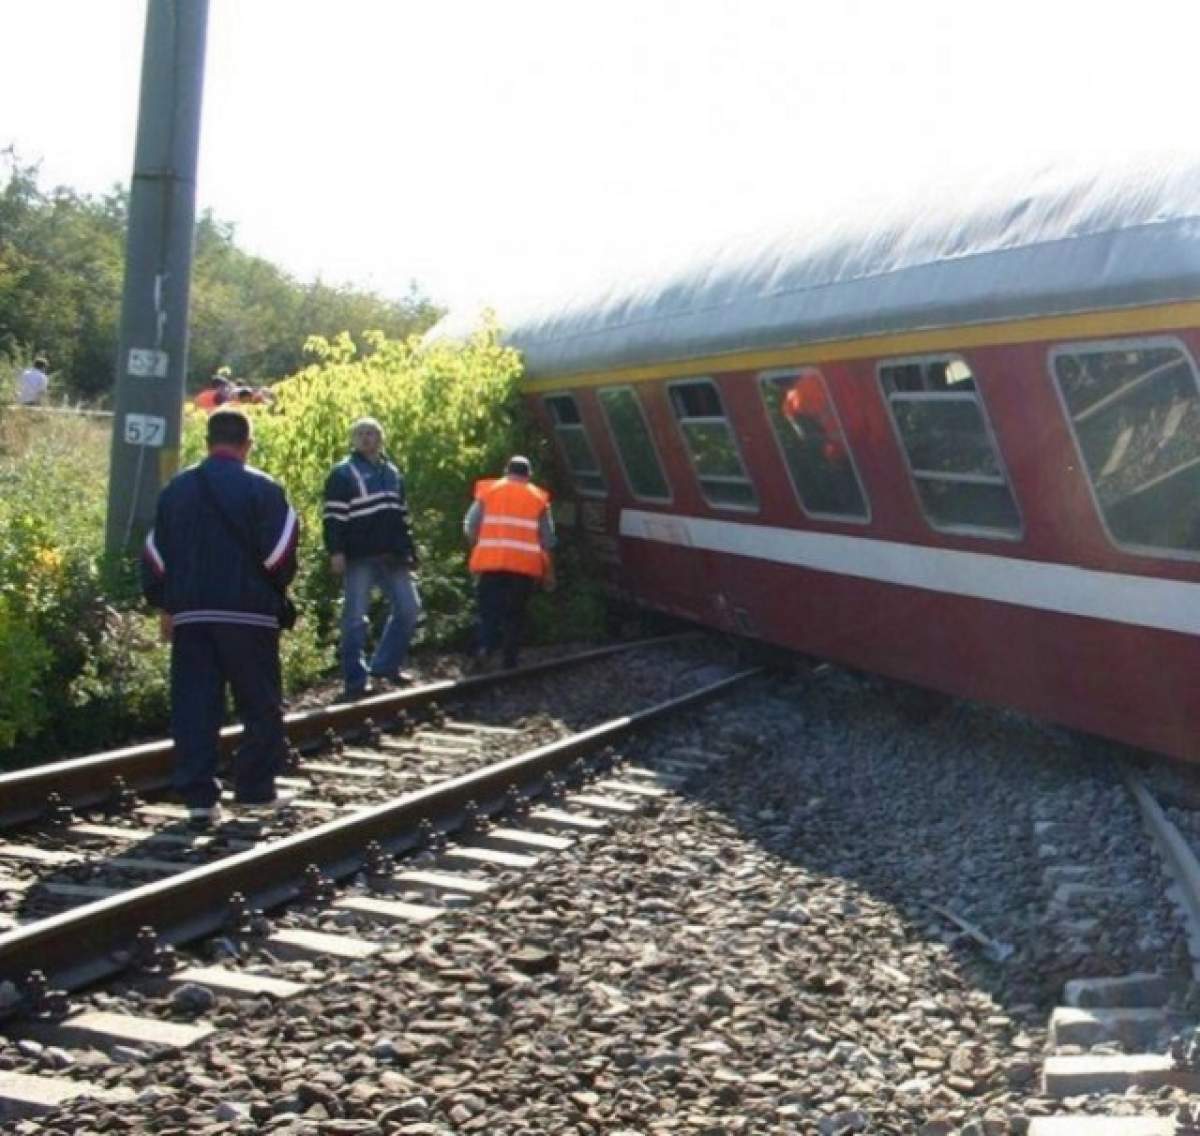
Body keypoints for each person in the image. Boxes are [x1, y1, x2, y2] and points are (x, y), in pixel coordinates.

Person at [141, 408, 299, 825]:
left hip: (191, 615)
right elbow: (281, 552)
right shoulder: (264, 490)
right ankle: (254, 790)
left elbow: (155, 555)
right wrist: (273, 588)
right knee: (259, 705)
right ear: (247, 443)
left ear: (208, 442)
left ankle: (198, 798)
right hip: (249, 616)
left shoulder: (176, 490)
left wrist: (166, 603)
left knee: (194, 705)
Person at [322, 417, 421, 699]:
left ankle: (385, 666)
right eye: (361, 434)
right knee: (355, 618)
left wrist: (410, 550)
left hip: (392, 554)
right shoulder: (343, 473)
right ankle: (355, 680)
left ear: (381, 438)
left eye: (372, 433)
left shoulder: (392, 472)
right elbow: (333, 517)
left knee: (409, 608)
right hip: (359, 555)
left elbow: (402, 518)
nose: (366, 438)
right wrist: (336, 552)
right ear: (353, 439)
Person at [463, 455, 556, 671]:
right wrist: (549, 574)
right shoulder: (538, 498)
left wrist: (478, 549)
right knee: (515, 614)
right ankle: (510, 661)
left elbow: (469, 526)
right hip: (523, 569)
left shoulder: (489, 492)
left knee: (488, 611)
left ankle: (485, 648)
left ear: (506, 470)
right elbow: (547, 540)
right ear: (529, 474)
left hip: (491, 565)